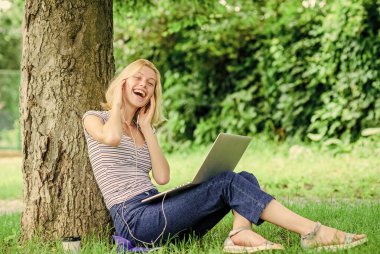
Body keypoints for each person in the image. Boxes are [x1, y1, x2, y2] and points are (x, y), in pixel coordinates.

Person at [82, 59, 367, 253]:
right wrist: (118, 102)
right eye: (138, 78)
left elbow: (162, 176)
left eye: (151, 83)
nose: (145, 84)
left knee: (244, 178)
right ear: (122, 82)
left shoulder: (144, 130)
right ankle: (312, 232)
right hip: (134, 221)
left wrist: (146, 127)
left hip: (157, 210)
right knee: (229, 182)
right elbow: (112, 137)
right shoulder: (94, 118)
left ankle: (238, 235)